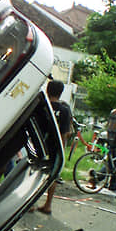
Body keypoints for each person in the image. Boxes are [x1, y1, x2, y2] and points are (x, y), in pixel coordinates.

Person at [36, 80, 72, 214]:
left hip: (39, 143)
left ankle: (31, 204)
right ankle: (48, 205)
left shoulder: (41, 106)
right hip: (55, 147)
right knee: (53, 175)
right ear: (61, 92)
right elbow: (64, 133)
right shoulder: (64, 110)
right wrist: (61, 151)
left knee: (36, 173)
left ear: (47, 90)